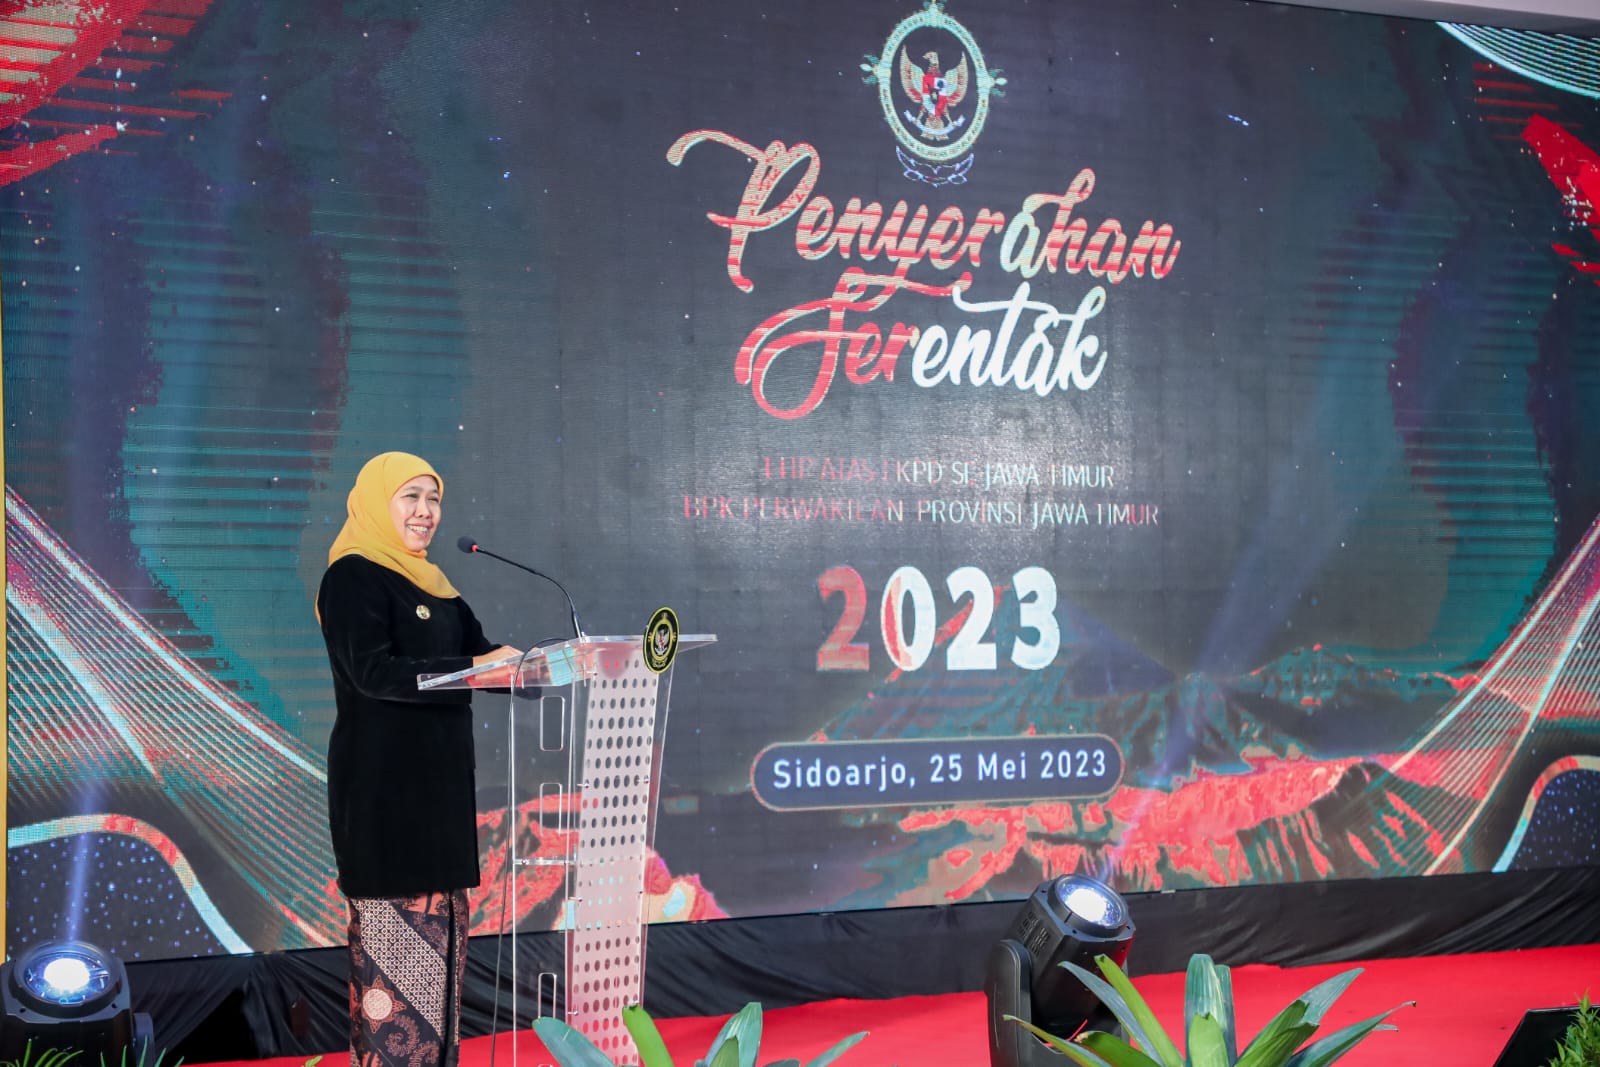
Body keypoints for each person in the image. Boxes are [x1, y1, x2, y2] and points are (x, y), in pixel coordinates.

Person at [316, 451, 519, 1067]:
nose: (426, 511)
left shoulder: (438, 587)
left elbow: (483, 657)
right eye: (411, 497)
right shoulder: (353, 576)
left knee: (443, 965)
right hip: (385, 799)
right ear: (377, 502)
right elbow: (373, 672)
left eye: (434, 499)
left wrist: (540, 669)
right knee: (397, 982)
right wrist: (476, 667)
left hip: (441, 798)